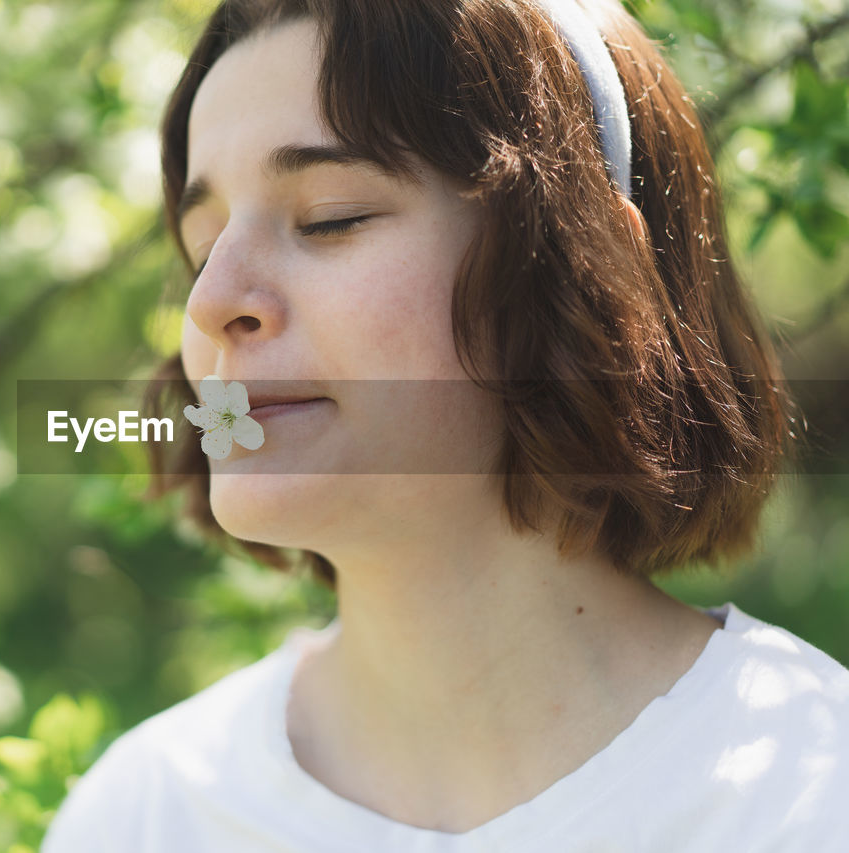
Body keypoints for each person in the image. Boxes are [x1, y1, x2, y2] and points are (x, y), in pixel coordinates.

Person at [42, 0, 849, 849]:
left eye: (329, 218)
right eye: (202, 249)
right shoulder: (146, 815)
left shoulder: (807, 793)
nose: (211, 304)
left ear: (583, 263)